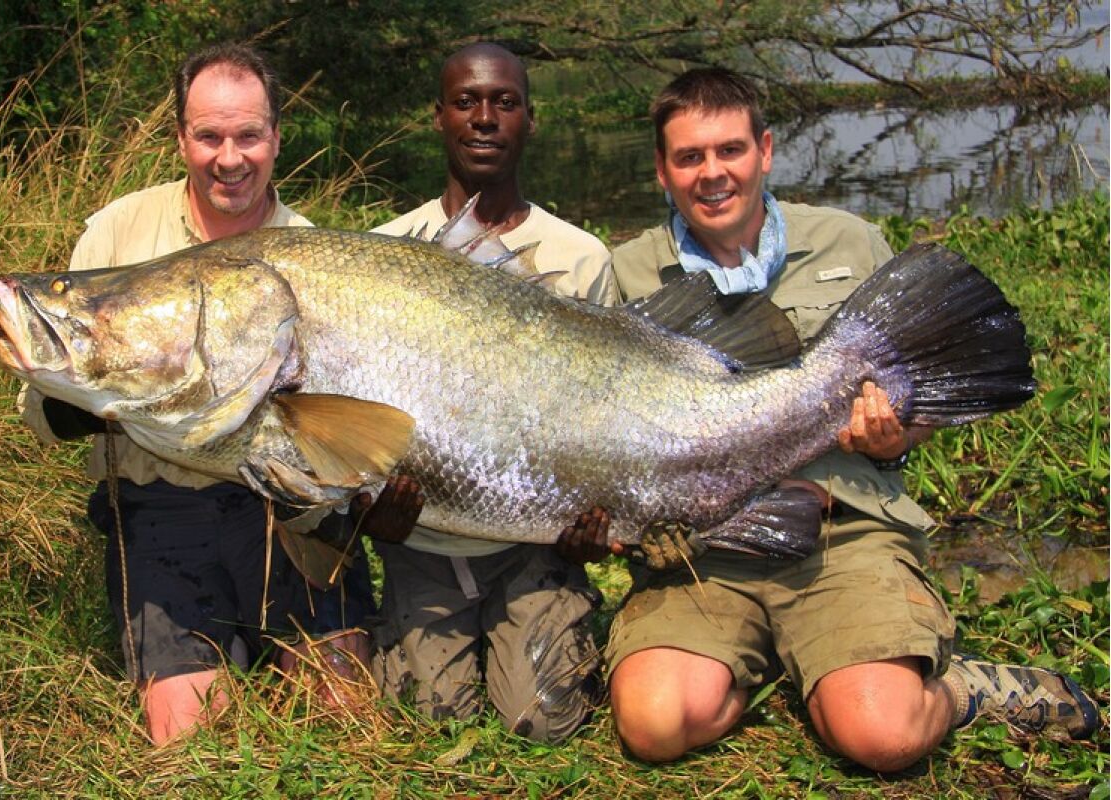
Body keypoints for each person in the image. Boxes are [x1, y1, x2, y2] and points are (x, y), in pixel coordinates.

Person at [605, 67, 1097, 771]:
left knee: (881, 736)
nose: (712, 173)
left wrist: (895, 441)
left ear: (764, 151)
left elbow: (918, 388)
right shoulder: (627, 273)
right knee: (655, 727)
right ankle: (783, 666)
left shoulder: (850, 241)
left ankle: (959, 689)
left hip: (845, 532)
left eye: (730, 150)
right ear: (662, 170)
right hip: (706, 551)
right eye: (689, 157)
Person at [20, 43, 375, 746]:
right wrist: (106, 394)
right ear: (181, 138)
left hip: (279, 513)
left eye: (249, 136)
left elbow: (339, 437)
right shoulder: (120, 231)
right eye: (209, 136)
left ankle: (283, 639)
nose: (229, 158)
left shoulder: (314, 251)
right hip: (159, 508)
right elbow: (42, 416)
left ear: (276, 137)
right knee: (188, 740)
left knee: (342, 715)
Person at [361, 42, 620, 743]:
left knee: (542, 723)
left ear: (530, 119)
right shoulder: (385, 251)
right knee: (431, 722)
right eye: (466, 102)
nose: (484, 118)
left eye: (504, 102)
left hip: (539, 545)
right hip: (423, 540)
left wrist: (592, 528)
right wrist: (370, 514)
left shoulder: (581, 256)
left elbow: (608, 420)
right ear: (439, 116)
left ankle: (559, 618)